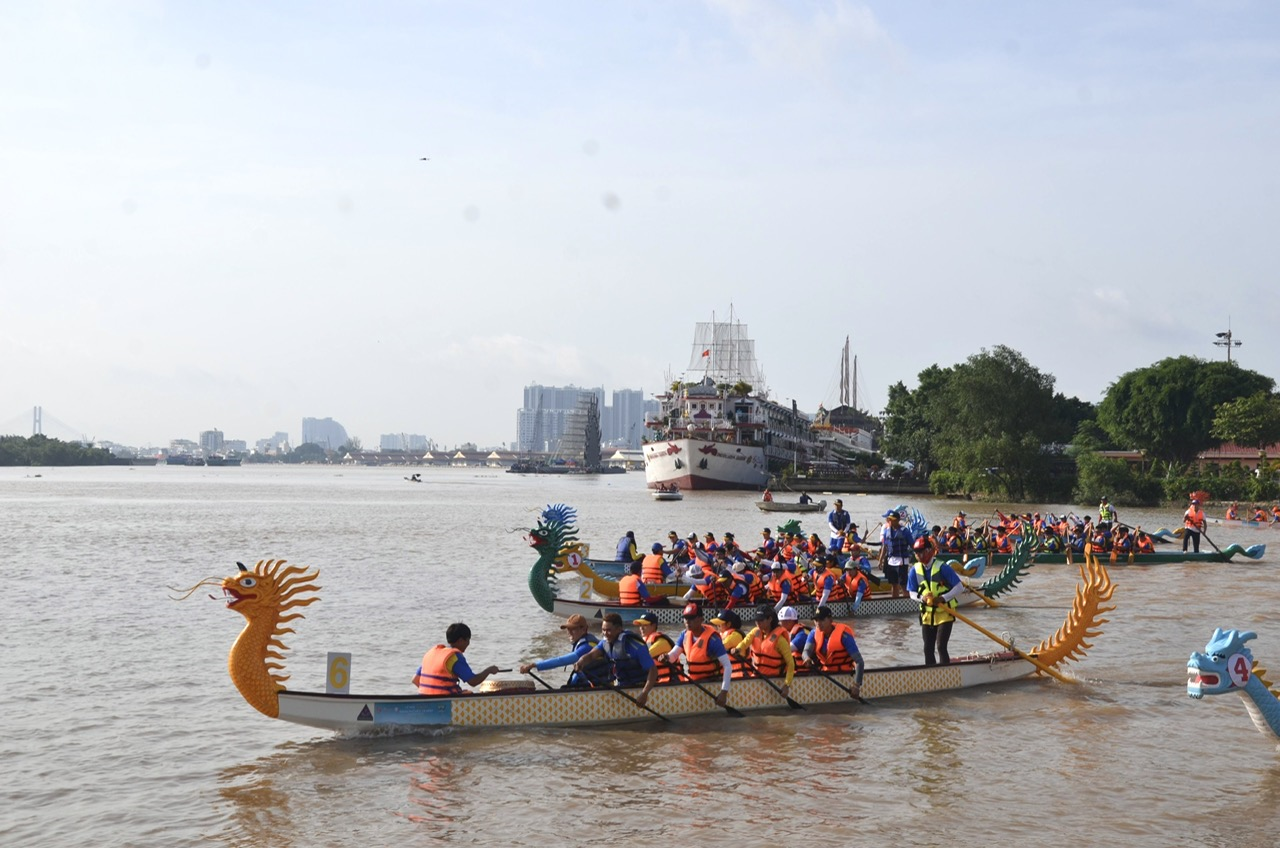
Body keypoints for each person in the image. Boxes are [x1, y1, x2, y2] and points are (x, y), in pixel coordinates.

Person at [572, 612, 659, 705]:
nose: (605, 634)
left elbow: (653, 670)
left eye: (608, 630)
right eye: (603, 630)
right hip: (621, 685)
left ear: (619, 629)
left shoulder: (635, 646)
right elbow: (591, 655)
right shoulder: (605, 643)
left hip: (639, 687)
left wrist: (644, 693)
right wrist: (581, 661)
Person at [906, 538, 965, 666]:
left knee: (941, 647)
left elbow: (960, 587)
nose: (917, 555)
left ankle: (945, 673)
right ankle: (931, 674)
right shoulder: (914, 570)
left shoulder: (943, 568)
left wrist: (943, 598)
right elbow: (912, 593)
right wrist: (922, 598)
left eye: (920, 552)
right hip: (927, 615)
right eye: (916, 553)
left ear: (929, 551)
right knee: (927, 648)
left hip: (944, 614)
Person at [664, 602, 733, 707]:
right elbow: (673, 655)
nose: (687, 622)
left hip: (711, 682)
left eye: (691, 618)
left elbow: (727, 666)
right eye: (685, 618)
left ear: (701, 619)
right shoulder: (684, 635)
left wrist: (724, 692)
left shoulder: (713, 640)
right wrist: (666, 658)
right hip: (694, 680)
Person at [519, 614, 612, 687]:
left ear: (584, 629)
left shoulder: (588, 646)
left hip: (600, 687)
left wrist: (534, 665)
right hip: (589, 684)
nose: (569, 632)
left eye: (573, 629)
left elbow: (561, 661)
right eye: (568, 629)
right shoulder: (581, 642)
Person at [414, 622, 502, 696]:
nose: (468, 644)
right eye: (467, 640)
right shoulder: (454, 657)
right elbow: (473, 681)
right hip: (446, 702)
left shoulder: (432, 653)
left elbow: (415, 680)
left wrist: (431, 693)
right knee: (469, 693)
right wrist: (489, 670)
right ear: (461, 640)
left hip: (424, 697)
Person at [803, 606, 864, 698]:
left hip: (843, 675)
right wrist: (806, 658)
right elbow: (806, 651)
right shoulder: (813, 633)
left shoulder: (844, 636)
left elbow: (859, 661)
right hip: (824, 674)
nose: (818, 623)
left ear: (831, 620)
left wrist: (856, 685)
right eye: (816, 620)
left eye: (822, 620)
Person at [733, 607, 797, 694]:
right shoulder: (755, 632)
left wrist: (787, 685)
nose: (758, 623)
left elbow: (790, 664)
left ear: (769, 619)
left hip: (773, 679)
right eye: (756, 620)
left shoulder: (780, 641)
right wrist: (738, 649)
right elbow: (745, 642)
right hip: (756, 676)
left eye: (761, 620)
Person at [878, 509, 913, 599]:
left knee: (903, 584)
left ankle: (906, 601)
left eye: (892, 519)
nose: (890, 521)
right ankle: (895, 601)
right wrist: (880, 560)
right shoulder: (887, 531)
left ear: (897, 520)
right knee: (894, 584)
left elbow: (913, 545)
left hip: (902, 561)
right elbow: (884, 547)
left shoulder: (905, 531)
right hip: (891, 561)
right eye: (889, 519)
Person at [633, 613, 677, 683]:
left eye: (645, 625)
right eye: (640, 625)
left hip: (669, 681)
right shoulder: (644, 640)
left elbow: (643, 657)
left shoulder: (662, 642)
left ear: (653, 626)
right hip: (656, 681)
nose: (641, 628)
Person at [709, 610, 748, 677]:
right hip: (727, 673)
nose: (717, 626)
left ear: (728, 624)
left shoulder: (735, 636)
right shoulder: (722, 634)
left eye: (720, 623)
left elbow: (717, 648)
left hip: (738, 675)